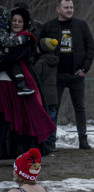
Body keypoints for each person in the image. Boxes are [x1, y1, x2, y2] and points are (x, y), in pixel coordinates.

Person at [39, 0, 94, 150]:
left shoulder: (81, 25)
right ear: (58, 9)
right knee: (53, 108)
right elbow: (40, 47)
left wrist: (84, 68)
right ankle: (50, 142)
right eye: (66, 7)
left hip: (76, 75)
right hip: (55, 76)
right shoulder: (49, 26)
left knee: (80, 108)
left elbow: (91, 48)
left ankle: (83, 140)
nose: (69, 10)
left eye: (71, 7)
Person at [0, 8, 55, 158]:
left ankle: (20, 151)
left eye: (20, 21)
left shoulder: (25, 38)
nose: (16, 23)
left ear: (24, 24)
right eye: (14, 21)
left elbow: (11, 59)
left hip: (15, 85)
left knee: (18, 119)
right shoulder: (3, 36)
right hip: (2, 84)